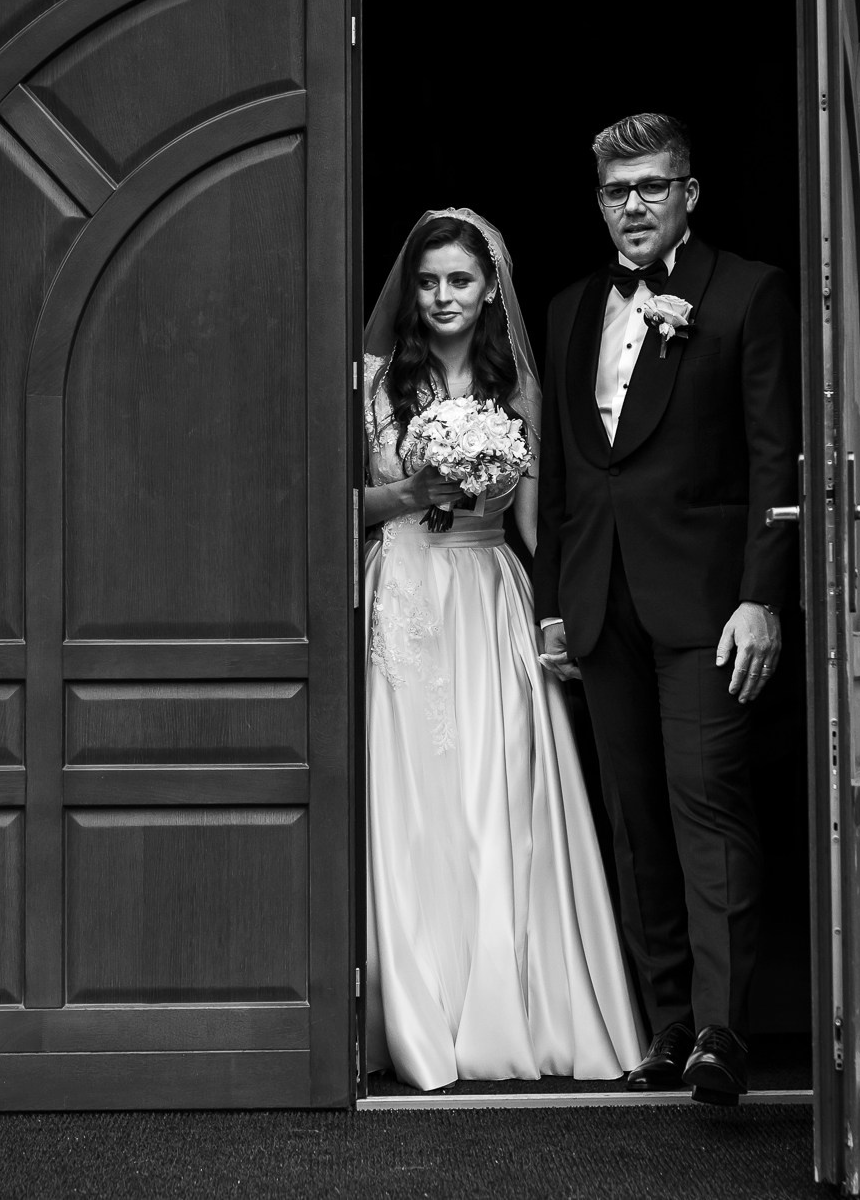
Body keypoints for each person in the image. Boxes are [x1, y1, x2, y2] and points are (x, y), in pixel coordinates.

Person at [532, 114, 801, 1106]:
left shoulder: (745, 292)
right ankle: (664, 1027)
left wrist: (758, 600)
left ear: (690, 192)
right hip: (600, 603)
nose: (633, 206)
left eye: (652, 186)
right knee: (633, 819)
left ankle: (722, 1037)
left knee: (705, 805)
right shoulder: (567, 310)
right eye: (615, 191)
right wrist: (556, 604)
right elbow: (564, 475)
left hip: (705, 607)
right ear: (597, 201)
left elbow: (776, 457)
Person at [362, 208, 645, 1091]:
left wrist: (560, 613)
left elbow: (535, 524)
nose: (443, 296)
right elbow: (338, 505)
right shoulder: (373, 380)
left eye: (460, 280)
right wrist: (412, 487)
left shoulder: (518, 386)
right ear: (411, 290)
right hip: (408, 594)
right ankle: (416, 1014)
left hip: (488, 597)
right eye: (428, 280)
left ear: (490, 291)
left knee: (500, 793)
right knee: (413, 800)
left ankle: (507, 1007)